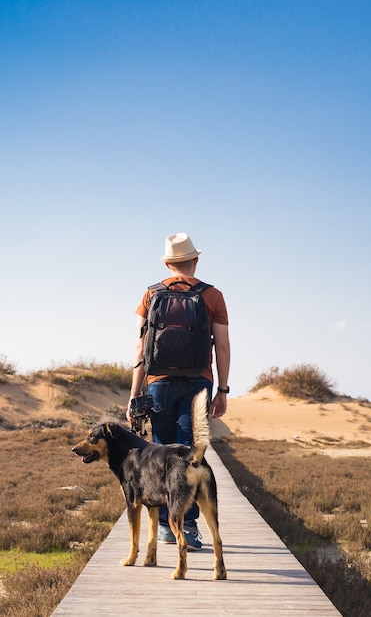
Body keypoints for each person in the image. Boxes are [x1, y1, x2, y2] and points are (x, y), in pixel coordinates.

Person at [126, 232, 230, 550]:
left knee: (160, 453)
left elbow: (142, 348)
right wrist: (222, 389)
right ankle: (188, 524)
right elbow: (223, 346)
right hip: (199, 383)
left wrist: (134, 393)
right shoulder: (212, 295)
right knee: (190, 454)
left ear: (168, 263)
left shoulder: (151, 293)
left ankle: (166, 526)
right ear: (195, 260)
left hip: (158, 383)